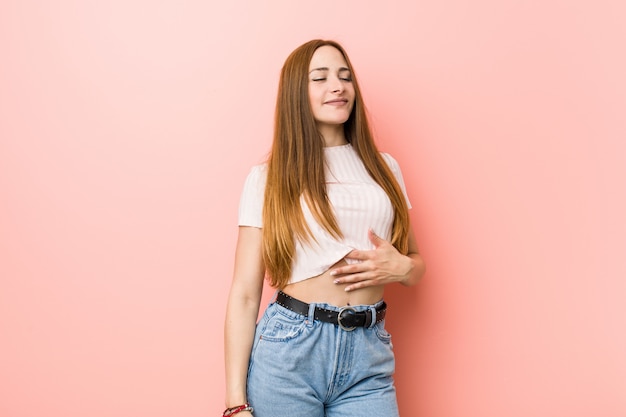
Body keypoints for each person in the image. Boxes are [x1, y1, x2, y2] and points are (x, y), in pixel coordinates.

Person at [223, 39, 425, 417]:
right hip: (291, 349)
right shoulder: (268, 178)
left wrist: (403, 268)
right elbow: (245, 294)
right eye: (321, 78)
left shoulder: (385, 169)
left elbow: (415, 264)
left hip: (368, 352)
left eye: (345, 77)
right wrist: (236, 403)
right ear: (297, 94)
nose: (338, 86)